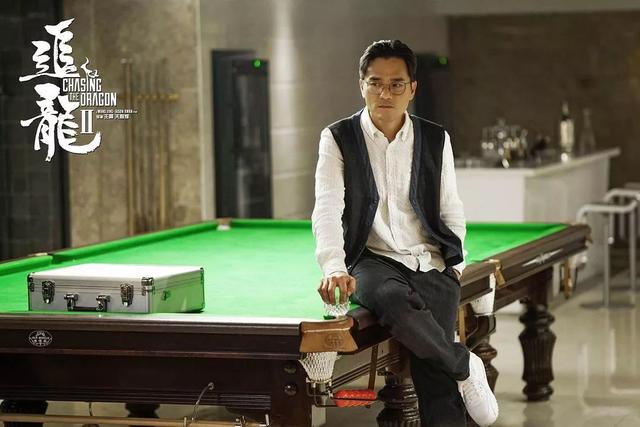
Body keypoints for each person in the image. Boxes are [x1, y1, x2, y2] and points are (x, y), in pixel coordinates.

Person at [311, 39, 499, 427]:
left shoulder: (435, 138)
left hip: (428, 256)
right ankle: (464, 363)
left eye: (396, 84)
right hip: (370, 258)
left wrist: (455, 267)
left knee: (435, 378)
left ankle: (454, 368)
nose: (385, 93)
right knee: (391, 299)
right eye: (375, 82)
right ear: (361, 85)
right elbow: (327, 207)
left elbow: (451, 208)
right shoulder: (338, 137)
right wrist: (333, 266)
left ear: (412, 89)